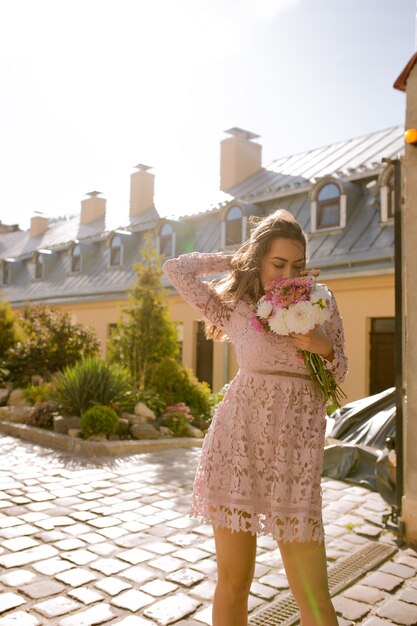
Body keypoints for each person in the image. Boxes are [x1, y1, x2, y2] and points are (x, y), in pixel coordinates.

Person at [163, 208, 348, 626]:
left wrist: (324, 348)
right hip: (237, 446)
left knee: (316, 599)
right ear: (260, 259)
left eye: (297, 266)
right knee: (234, 582)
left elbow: (339, 372)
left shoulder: (321, 302)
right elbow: (178, 269)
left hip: (294, 458)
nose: (287, 274)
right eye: (277, 263)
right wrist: (238, 259)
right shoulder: (237, 307)